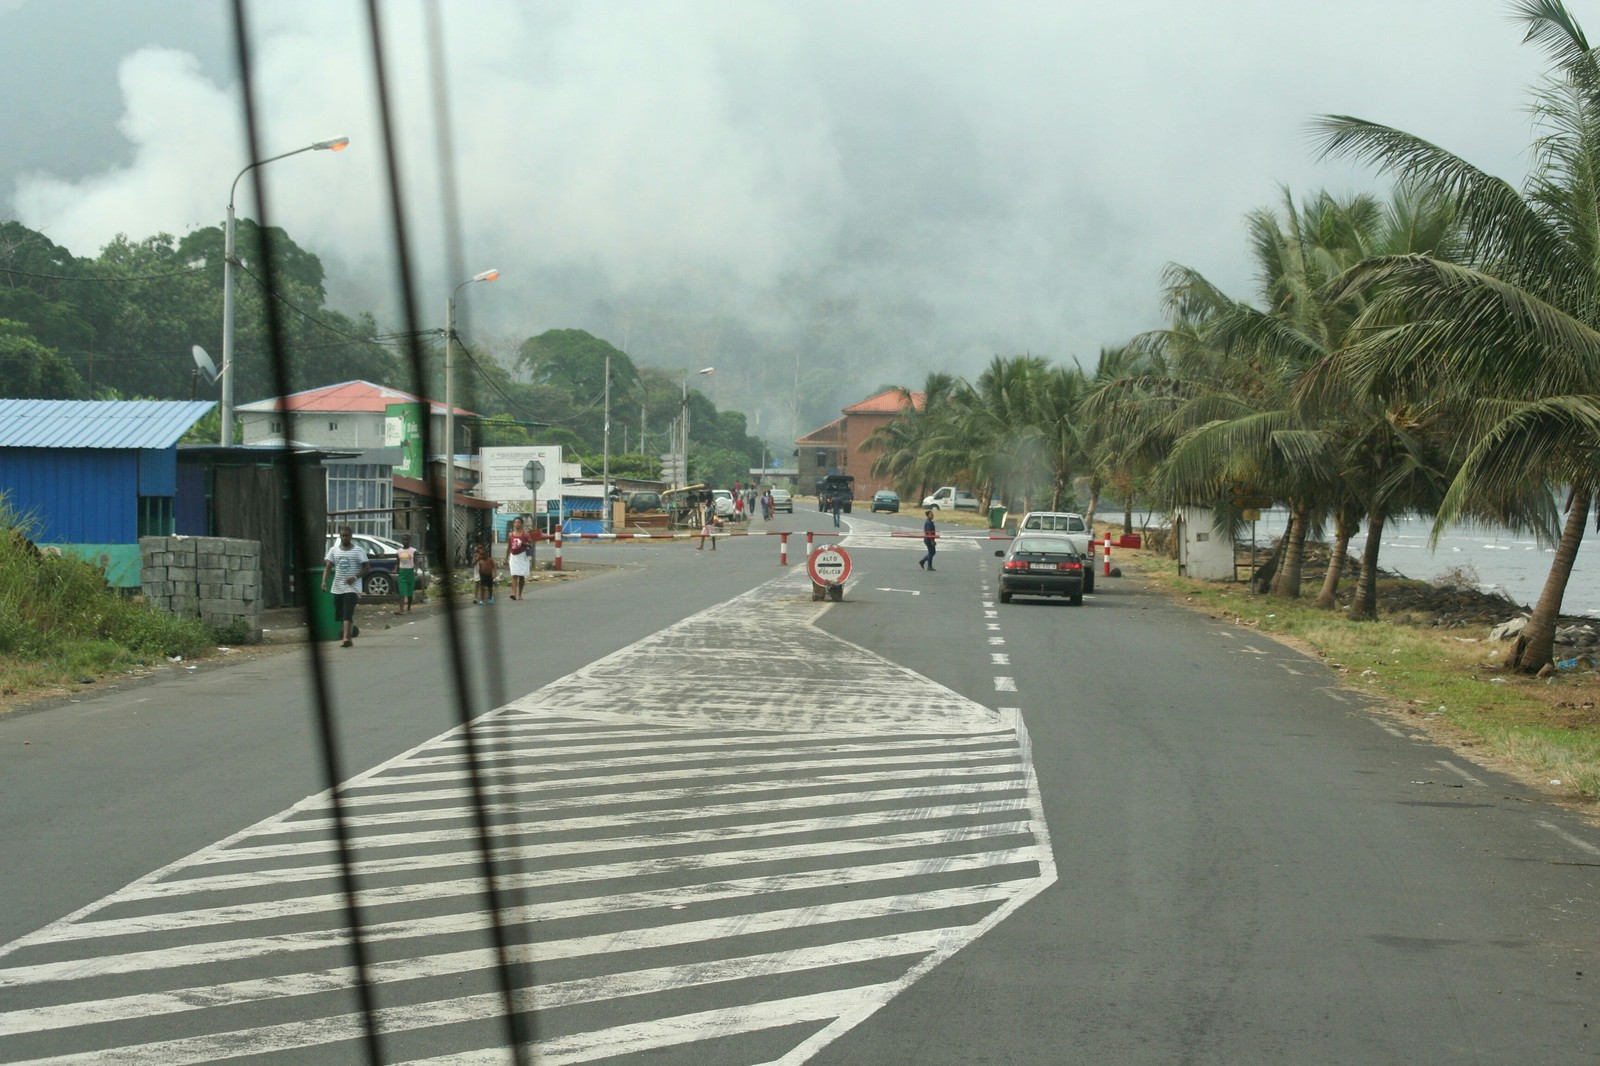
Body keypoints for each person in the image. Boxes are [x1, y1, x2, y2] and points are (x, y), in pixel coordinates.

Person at [322, 525, 369, 647]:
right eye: (342, 536)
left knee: (347, 612)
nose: (344, 538)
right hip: (337, 586)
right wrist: (324, 582)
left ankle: (346, 638)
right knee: (340, 613)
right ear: (340, 536)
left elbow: (366, 567)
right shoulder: (334, 550)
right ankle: (349, 632)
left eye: (346, 535)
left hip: (353, 587)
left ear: (351, 536)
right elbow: (328, 566)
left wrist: (354, 577)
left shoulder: (358, 551)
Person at [505, 516, 531, 601]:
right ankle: (513, 593)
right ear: (513, 524)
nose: (517, 524)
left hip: (522, 556)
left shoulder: (525, 534)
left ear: (522, 524)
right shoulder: (510, 534)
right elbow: (509, 546)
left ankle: (519, 594)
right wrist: (506, 558)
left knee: (521, 576)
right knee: (514, 575)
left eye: (519, 522)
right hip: (513, 556)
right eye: (516, 522)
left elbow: (531, 544)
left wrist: (525, 544)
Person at [394, 533, 418, 614]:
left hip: (410, 572)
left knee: (410, 591)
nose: (405, 541)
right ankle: (401, 609)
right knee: (402, 591)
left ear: (410, 541)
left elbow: (416, 561)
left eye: (407, 539)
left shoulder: (413, 551)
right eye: (403, 539)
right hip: (402, 572)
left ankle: (409, 607)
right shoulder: (399, 551)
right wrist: (395, 569)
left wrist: (415, 570)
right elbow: (397, 563)